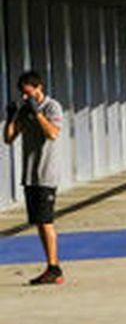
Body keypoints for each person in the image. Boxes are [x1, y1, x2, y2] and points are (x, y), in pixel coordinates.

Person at [4, 71, 65, 285]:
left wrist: (37, 113)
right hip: (30, 175)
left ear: (39, 88)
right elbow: (8, 138)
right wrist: (11, 117)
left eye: (28, 93)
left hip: (46, 173)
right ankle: (51, 266)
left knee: (46, 221)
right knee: (39, 222)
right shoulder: (25, 109)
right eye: (22, 93)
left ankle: (54, 268)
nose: (24, 97)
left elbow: (53, 133)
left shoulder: (52, 107)